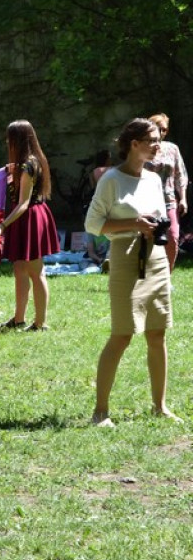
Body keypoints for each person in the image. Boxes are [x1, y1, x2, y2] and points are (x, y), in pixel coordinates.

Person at [86, 118, 179, 427]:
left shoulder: (153, 179)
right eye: (152, 140)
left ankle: (159, 406)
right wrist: (133, 224)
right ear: (134, 144)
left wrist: (155, 228)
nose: (158, 145)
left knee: (157, 333)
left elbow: (160, 217)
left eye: (159, 139)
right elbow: (93, 224)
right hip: (125, 258)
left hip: (155, 258)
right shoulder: (111, 179)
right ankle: (100, 412)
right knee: (122, 335)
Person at [0, 120, 59, 331]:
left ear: (18, 140)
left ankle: (40, 323)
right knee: (19, 269)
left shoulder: (29, 165)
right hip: (22, 219)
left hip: (30, 218)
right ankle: (18, 319)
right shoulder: (23, 164)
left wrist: (2, 225)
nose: (6, 142)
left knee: (36, 272)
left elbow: (23, 203)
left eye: (9, 138)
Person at [145, 113, 188, 271]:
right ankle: (147, 274)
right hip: (146, 201)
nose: (161, 132)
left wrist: (183, 198)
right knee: (147, 239)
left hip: (169, 200)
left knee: (173, 237)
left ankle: (166, 275)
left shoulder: (172, 149)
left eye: (164, 129)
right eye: (158, 128)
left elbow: (180, 174)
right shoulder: (143, 149)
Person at [85, 150, 113, 266]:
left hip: (96, 199)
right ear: (107, 159)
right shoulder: (111, 170)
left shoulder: (93, 172)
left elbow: (92, 188)